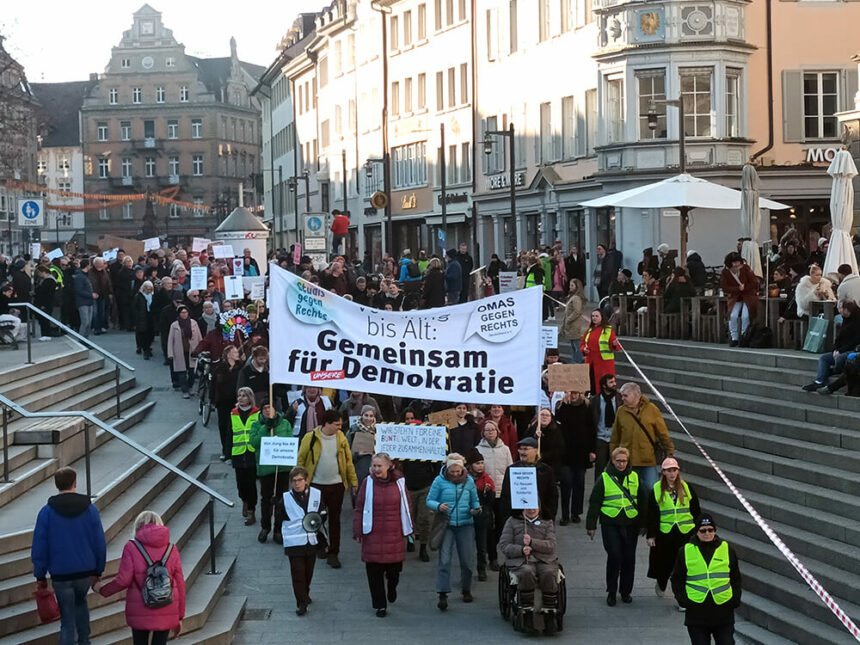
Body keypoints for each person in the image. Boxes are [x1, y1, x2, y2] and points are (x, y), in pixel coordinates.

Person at [31, 467, 106, 645]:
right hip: (85, 571)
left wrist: (40, 575)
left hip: (60, 574)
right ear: (75, 483)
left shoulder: (46, 512)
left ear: (56, 485)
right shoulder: (90, 510)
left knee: (66, 619)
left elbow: (40, 545)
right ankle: (85, 641)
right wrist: (98, 570)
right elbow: (99, 542)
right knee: (81, 606)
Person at [94, 511, 185, 645]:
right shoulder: (172, 549)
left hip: (140, 606)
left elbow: (123, 580)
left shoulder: (132, 547)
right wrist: (180, 616)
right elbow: (180, 584)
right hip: (166, 605)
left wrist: (102, 590)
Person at [297, 409, 359, 569]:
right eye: (337, 424)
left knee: (335, 519)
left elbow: (348, 461)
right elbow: (301, 460)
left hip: (336, 484)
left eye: (340, 424)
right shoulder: (310, 438)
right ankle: (320, 544)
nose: (339, 427)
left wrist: (354, 482)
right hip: (316, 484)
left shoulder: (341, 438)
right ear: (327, 423)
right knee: (315, 517)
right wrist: (300, 481)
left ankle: (334, 553)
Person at [353, 453, 413, 617]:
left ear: (389, 466)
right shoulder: (367, 483)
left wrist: (410, 530)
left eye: (380, 466)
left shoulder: (400, 483)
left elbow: (407, 506)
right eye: (374, 466)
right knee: (374, 572)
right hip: (372, 533)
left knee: (394, 571)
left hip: (394, 532)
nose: (377, 469)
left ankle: (392, 587)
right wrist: (358, 529)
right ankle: (380, 605)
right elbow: (359, 506)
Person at [586, 447, 647, 606]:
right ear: (612, 461)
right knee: (614, 556)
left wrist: (643, 524)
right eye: (618, 461)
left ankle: (626, 591)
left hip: (630, 523)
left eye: (624, 461)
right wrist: (591, 525)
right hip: (610, 523)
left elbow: (643, 500)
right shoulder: (604, 478)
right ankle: (611, 591)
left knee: (629, 558)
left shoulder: (635, 477)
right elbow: (595, 502)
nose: (621, 464)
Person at [671, 514, 742, 645]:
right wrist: (683, 601)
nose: (707, 533)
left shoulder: (727, 549)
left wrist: (735, 599)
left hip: (723, 612)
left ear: (715, 531)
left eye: (710, 530)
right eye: (703, 530)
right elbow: (677, 579)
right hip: (697, 614)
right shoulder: (685, 551)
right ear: (697, 532)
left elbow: (736, 577)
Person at [426, 453, 481, 610]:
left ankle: (466, 589)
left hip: (465, 524)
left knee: (467, 560)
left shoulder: (469, 481)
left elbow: (474, 500)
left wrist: (475, 509)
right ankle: (442, 593)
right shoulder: (439, 481)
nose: (455, 474)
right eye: (452, 471)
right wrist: (438, 506)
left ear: (463, 469)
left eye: (458, 471)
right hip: (447, 524)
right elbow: (429, 500)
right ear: (447, 468)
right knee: (444, 560)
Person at [498, 506, 561, 635]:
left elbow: (551, 545)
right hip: (521, 560)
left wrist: (533, 542)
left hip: (544, 559)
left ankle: (549, 614)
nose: (531, 510)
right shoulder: (512, 521)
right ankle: (527, 616)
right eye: (528, 508)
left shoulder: (547, 522)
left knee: (549, 573)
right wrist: (520, 550)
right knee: (526, 571)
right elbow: (504, 545)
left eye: (534, 507)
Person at [647, 458, 700, 599]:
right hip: (666, 533)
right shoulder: (657, 489)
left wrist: (699, 531)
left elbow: (696, 511)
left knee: (683, 566)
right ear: (663, 472)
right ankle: (661, 582)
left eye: (674, 470)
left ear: (678, 471)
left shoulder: (686, 488)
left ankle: (681, 598)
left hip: (685, 532)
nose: (672, 474)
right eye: (668, 471)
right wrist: (651, 535)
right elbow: (652, 514)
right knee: (665, 564)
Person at [611, 382, 674, 492]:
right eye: (622, 395)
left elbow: (662, 432)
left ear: (636, 396)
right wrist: (613, 455)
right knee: (630, 491)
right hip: (627, 460)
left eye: (625, 395)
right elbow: (615, 437)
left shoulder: (651, 409)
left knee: (652, 489)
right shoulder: (621, 411)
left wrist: (670, 452)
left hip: (647, 459)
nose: (622, 398)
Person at [281, 466, 325, 615]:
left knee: (308, 572)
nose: (297, 483)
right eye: (294, 481)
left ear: (306, 480)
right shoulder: (285, 498)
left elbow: (322, 512)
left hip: (311, 540)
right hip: (294, 542)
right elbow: (280, 517)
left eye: (300, 480)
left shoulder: (316, 494)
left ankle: (305, 593)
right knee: (298, 573)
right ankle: (301, 602)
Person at [249, 403, 295, 544]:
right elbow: (254, 443)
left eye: (270, 407)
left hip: (282, 468)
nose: (268, 410)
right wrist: (266, 427)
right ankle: (265, 527)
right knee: (266, 499)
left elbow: (290, 440)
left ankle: (278, 529)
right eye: (265, 408)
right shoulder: (257, 425)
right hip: (266, 468)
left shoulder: (285, 423)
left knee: (281, 499)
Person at [555, 391, 597, 524]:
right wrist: (565, 403)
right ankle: (565, 514)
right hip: (565, 452)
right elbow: (558, 420)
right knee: (566, 483)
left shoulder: (586, 406)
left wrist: (592, 450)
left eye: (576, 393)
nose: (573, 396)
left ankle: (576, 512)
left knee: (579, 483)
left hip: (581, 451)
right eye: (571, 393)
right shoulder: (562, 406)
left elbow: (592, 429)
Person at [475, 420, 512, 571]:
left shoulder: (505, 450)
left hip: (502, 493)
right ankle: (493, 557)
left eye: (492, 430)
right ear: (483, 433)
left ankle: (493, 546)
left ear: (497, 432)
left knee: (503, 524)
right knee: (489, 527)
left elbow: (510, 470)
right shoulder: (478, 449)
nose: (490, 432)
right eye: (487, 430)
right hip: (486, 493)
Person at [802, 299, 860, 393]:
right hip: (841, 349)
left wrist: (840, 351)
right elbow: (840, 337)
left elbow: (856, 341)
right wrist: (835, 349)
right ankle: (819, 381)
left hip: (853, 350)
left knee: (840, 358)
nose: (839, 310)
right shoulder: (845, 318)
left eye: (840, 308)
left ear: (846, 309)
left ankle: (834, 372)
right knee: (824, 358)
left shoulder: (857, 319)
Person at [500, 437, 559, 521]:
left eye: (526, 449)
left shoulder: (546, 470)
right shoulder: (512, 469)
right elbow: (505, 495)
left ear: (536, 451)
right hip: (517, 518)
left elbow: (552, 496)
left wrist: (549, 515)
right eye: (520, 449)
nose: (522, 452)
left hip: (541, 518)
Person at [231, 387, 260, 526]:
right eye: (239, 395)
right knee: (240, 483)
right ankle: (244, 500)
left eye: (244, 396)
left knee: (251, 483)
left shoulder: (257, 413)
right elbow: (228, 434)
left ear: (250, 398)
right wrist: (226, 453)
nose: (241, 398)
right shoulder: (233, 413)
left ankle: (251, 510)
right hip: (238, 453)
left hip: (251, 453)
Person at [466, 449, 495, 580]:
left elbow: (491, 503)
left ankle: (481, 568)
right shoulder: (465, 479)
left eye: (482, 463)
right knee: (466, 546)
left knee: (481, 545)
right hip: (466, 516)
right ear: (471, 465)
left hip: (482, 517)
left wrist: (489, 493)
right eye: (477, 463)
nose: (480, 466)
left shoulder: (487, 479)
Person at [720, 252, 759, 347]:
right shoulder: (725, 272)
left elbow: (754, 282)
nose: (736, 264)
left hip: (748, 296)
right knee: (732, 316)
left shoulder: (746, 268)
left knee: (745, 316)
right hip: (735, 297)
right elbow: (724, 287)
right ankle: (734, 337)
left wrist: (745, 287)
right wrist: (737, 289)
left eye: (737, 262)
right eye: (734, 262)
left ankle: (744, 336)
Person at [213, 345, 243, 461]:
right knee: (223, 426)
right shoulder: (220, 368)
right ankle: (225, 451)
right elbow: (214, 385)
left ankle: (233, 450)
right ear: (228, 354)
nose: (237, 354)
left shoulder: (240, 368)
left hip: (235, 402)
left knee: (234, 427)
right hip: (222, 403)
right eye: (235, 352)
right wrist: (213, 399)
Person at [581, 308, 620, 394]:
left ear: (602, 317)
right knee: (591, 384)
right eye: (593, 316)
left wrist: (614, 344)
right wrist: (584, 349)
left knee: (603, 385)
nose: (594, 318)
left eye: (596, 316)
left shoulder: (608, 330)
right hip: (590, 362)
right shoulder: (589, 330)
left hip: (604, 363)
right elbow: (583, 343)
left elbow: (615, 347)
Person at [166, 305, 202, 398]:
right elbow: (170, 340)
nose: (184, 314)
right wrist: (170, 353)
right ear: (179, 314)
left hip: (192, 351)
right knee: (181, 372)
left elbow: (199, 337)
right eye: (182, 312)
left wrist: (201, 349)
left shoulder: (193, 323)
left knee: (192, 372)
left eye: (186, 312)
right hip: (179, 352)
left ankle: (190, 387)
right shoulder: (174, 325)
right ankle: (185, 390)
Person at [590, 374, 620, 480]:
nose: (614, 384)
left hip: (614, 438)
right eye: (611, 382)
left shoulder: (619, 398)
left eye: (614, 381)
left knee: (615, 467)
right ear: (604, 385)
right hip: (600, 438)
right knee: (599, 467)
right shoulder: (595, 400)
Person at [560, 278, 589, 364]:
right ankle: (575, 361)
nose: (570, 287)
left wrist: (568, 319)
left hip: (574, 326)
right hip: (571, 326)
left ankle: (578, 362)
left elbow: (577, 311)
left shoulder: (576, 298)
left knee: (576, 346)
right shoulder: (572, 297)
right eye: (570, 285)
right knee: (573, 346)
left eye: (572, 285)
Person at [347, 405, 378, 485]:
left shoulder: (378, 430)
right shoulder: (353, 430)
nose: (368, 418)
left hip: (374, 467)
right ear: (362, 415)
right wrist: (357, 454)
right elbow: (346, 450)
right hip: (358, 466)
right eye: (366, 415)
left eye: (371, 416)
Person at [72, 258, 96, 338]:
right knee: (85, 321)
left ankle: (86, 339)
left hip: (89, 301)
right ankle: (82, 339)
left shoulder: (87, 275)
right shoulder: (80, 276)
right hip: (82, 302)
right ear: (87, 266)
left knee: (88, 322)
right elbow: (79, 290)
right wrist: (90, 295)